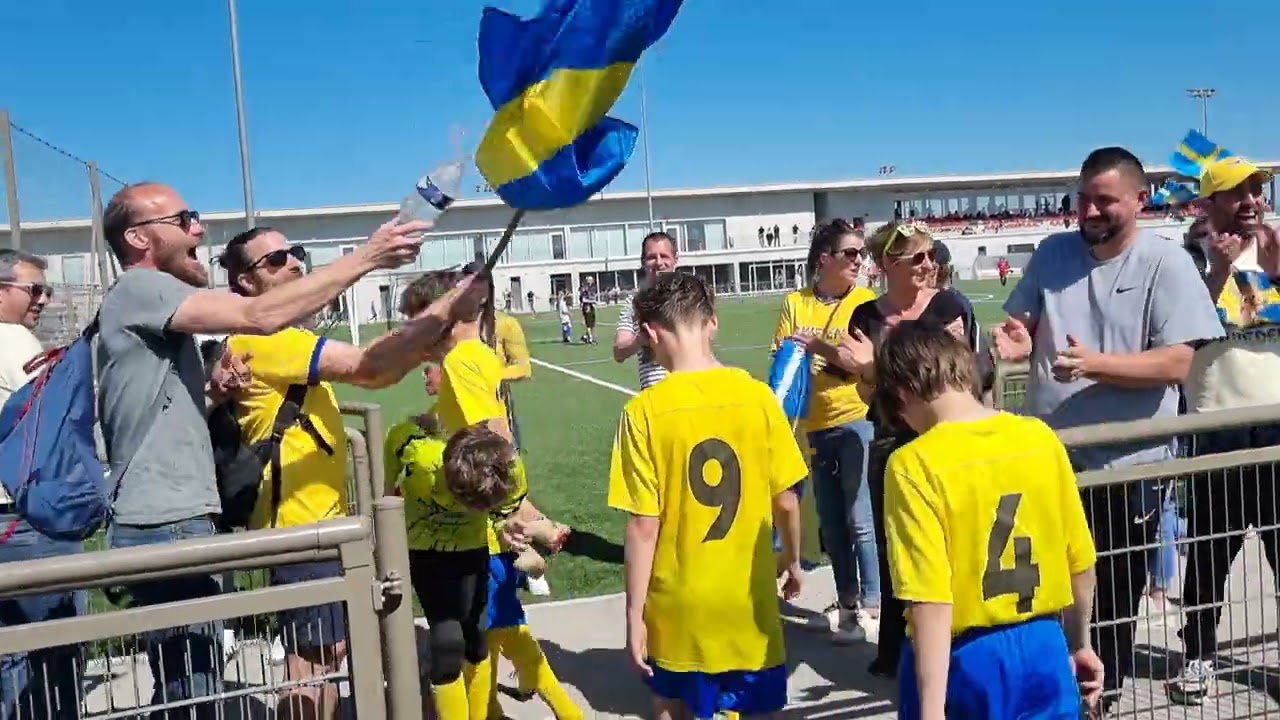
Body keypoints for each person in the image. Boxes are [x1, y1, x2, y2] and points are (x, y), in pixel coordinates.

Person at [96, 181, 427, 715]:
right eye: (184, 221)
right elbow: (260, 316)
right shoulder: (142, 289)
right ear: (138, 238)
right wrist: (369, 255)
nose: (199, 229)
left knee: (196, 679)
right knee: (197, 689)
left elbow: (157, 415)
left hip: (182, 516)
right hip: (168, 520)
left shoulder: (161, 311)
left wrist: (210, 393)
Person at [993, 147, 1223, 714]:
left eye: (1105, 200)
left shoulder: (1165, 263)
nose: (1090, 210)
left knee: (1114, 598)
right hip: (1056, 461)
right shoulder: (1051, 253)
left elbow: (1175, 364)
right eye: (1083, 199)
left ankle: (1104, 700)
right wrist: (1018, 342)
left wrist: (1095, 364)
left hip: (1131, 469)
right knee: (1051, 593)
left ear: (1139, 201)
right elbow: (1022, 327)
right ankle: (1055, 693)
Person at [216, 226, 478, 719]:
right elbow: (369, 368)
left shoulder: (282, 341)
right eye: (274, 260)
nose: (293, 263)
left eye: (295, 252)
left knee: (327, 657)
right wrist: (444, 312)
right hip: (302, 534)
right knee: (310, 667)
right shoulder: (267, 339)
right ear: (245, 284)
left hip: (321, 529)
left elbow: (379, 364)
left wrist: (425, 338)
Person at [876, 322, 1103, 718]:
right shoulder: (1039, 437)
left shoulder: (913, 463)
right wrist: (1078, 642)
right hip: (1044, 646)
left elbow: (930, 599)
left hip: (968, 657)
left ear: (902, 395)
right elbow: (1080, 564)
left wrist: (930, 709)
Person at [609, 272, 807, 720]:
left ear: (649, 334)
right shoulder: (758, 399)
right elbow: (788, 500)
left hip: (679, 610)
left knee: (672, 707)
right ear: (712, 323)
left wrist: (634, 616)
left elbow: (643, 526)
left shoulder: (643, 412)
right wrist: (792, 562)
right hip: (748, 606)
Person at [395, 270, 567, 720]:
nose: (415, 336)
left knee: (463, 640)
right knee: (475, 636)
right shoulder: (476, 355)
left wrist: (520, 513)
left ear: (444, 317)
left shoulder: (461, 361)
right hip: (467, 520)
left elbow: (495, 440)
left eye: (421, 321)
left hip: (463, 523)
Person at [1170, 156, 1278, 705]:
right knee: (1210, 557)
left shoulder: (1277, 249)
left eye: (1258, 189)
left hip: (1277, 429)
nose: (1253, 200)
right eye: (1239, 192)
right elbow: (1179, 341)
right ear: (1209, 202)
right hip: (1217, 432)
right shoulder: (1184, 260)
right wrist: (1216, 272)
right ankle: (1198, 658)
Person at [776, 218, 879, 643]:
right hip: (814, 426)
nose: (859, 260)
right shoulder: (795, 302)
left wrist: (818, 349)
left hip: (856, 420)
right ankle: (847, 601)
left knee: (860, 518)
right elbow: (784, 356)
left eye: (861, 253)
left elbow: (860, 360)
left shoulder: (866, 301)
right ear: (825, 259)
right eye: (850, 253)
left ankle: (874, 605)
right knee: (832, 523)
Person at [0, 249, 85, 720]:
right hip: (24, 519)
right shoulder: (14, 340)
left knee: (10, 657)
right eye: (34, 290)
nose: (44, 300)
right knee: (53, 659)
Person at [613, 231, 678, 390]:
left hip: (689, 392)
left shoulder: (689, 296)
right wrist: (641, 338)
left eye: (664, 256)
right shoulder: (634, 302)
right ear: (643, 262)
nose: (658, 262)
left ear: (675, 259)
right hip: (654, 398)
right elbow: (618, 352)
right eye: (651, 257)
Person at [579, 275, 599, 344]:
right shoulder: (585, 288)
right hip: (587, 306)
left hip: (591, 306)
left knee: (592, 323)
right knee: (588, 323)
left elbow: (593, 296)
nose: (591, 281)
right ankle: (590, 338)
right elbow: (583, 299)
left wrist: (593, 301)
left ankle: (586, 336)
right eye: (590, 280)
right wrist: (592, 301)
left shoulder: (592, 288)